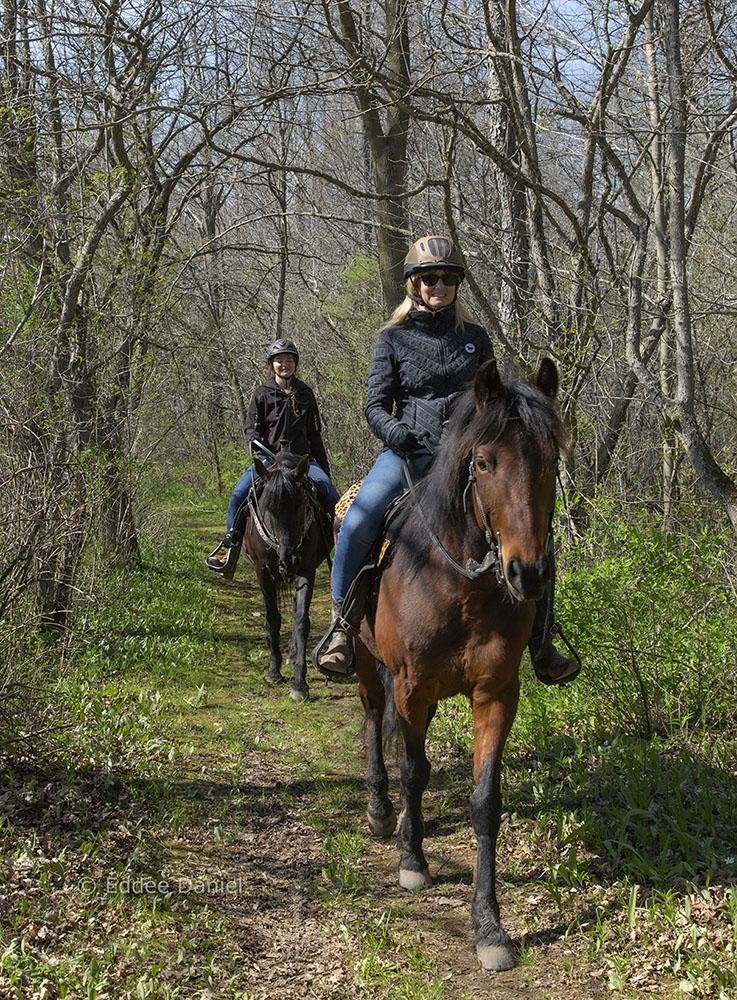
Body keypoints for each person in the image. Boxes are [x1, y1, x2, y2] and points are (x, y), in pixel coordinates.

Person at [315, 235, 580, 685]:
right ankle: (342, 628)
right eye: (430, 278)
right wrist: (398, 434)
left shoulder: (474, 338)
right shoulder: (392, 339)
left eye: (448, 278)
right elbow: (375, 405)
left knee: (530, 533)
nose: (439, 285)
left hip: (464, 460)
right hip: (407, 456)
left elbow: (491, 402)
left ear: (457, 285)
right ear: (414, 284)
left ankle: (541, 640)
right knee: (358, 521)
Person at [206, 338, 340, 575]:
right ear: (272, 365)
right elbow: (251, 430)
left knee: (334, 498)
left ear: (295, 363)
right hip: (270, 462)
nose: (284, 365)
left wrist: (324, 469)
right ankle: (230, 552)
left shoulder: (306, 394)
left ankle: (340, 554)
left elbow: (314, 434)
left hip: (301, 463)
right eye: (279, 361)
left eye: (288, 360)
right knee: (238, 495)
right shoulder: (262, 394)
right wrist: (258, 445)